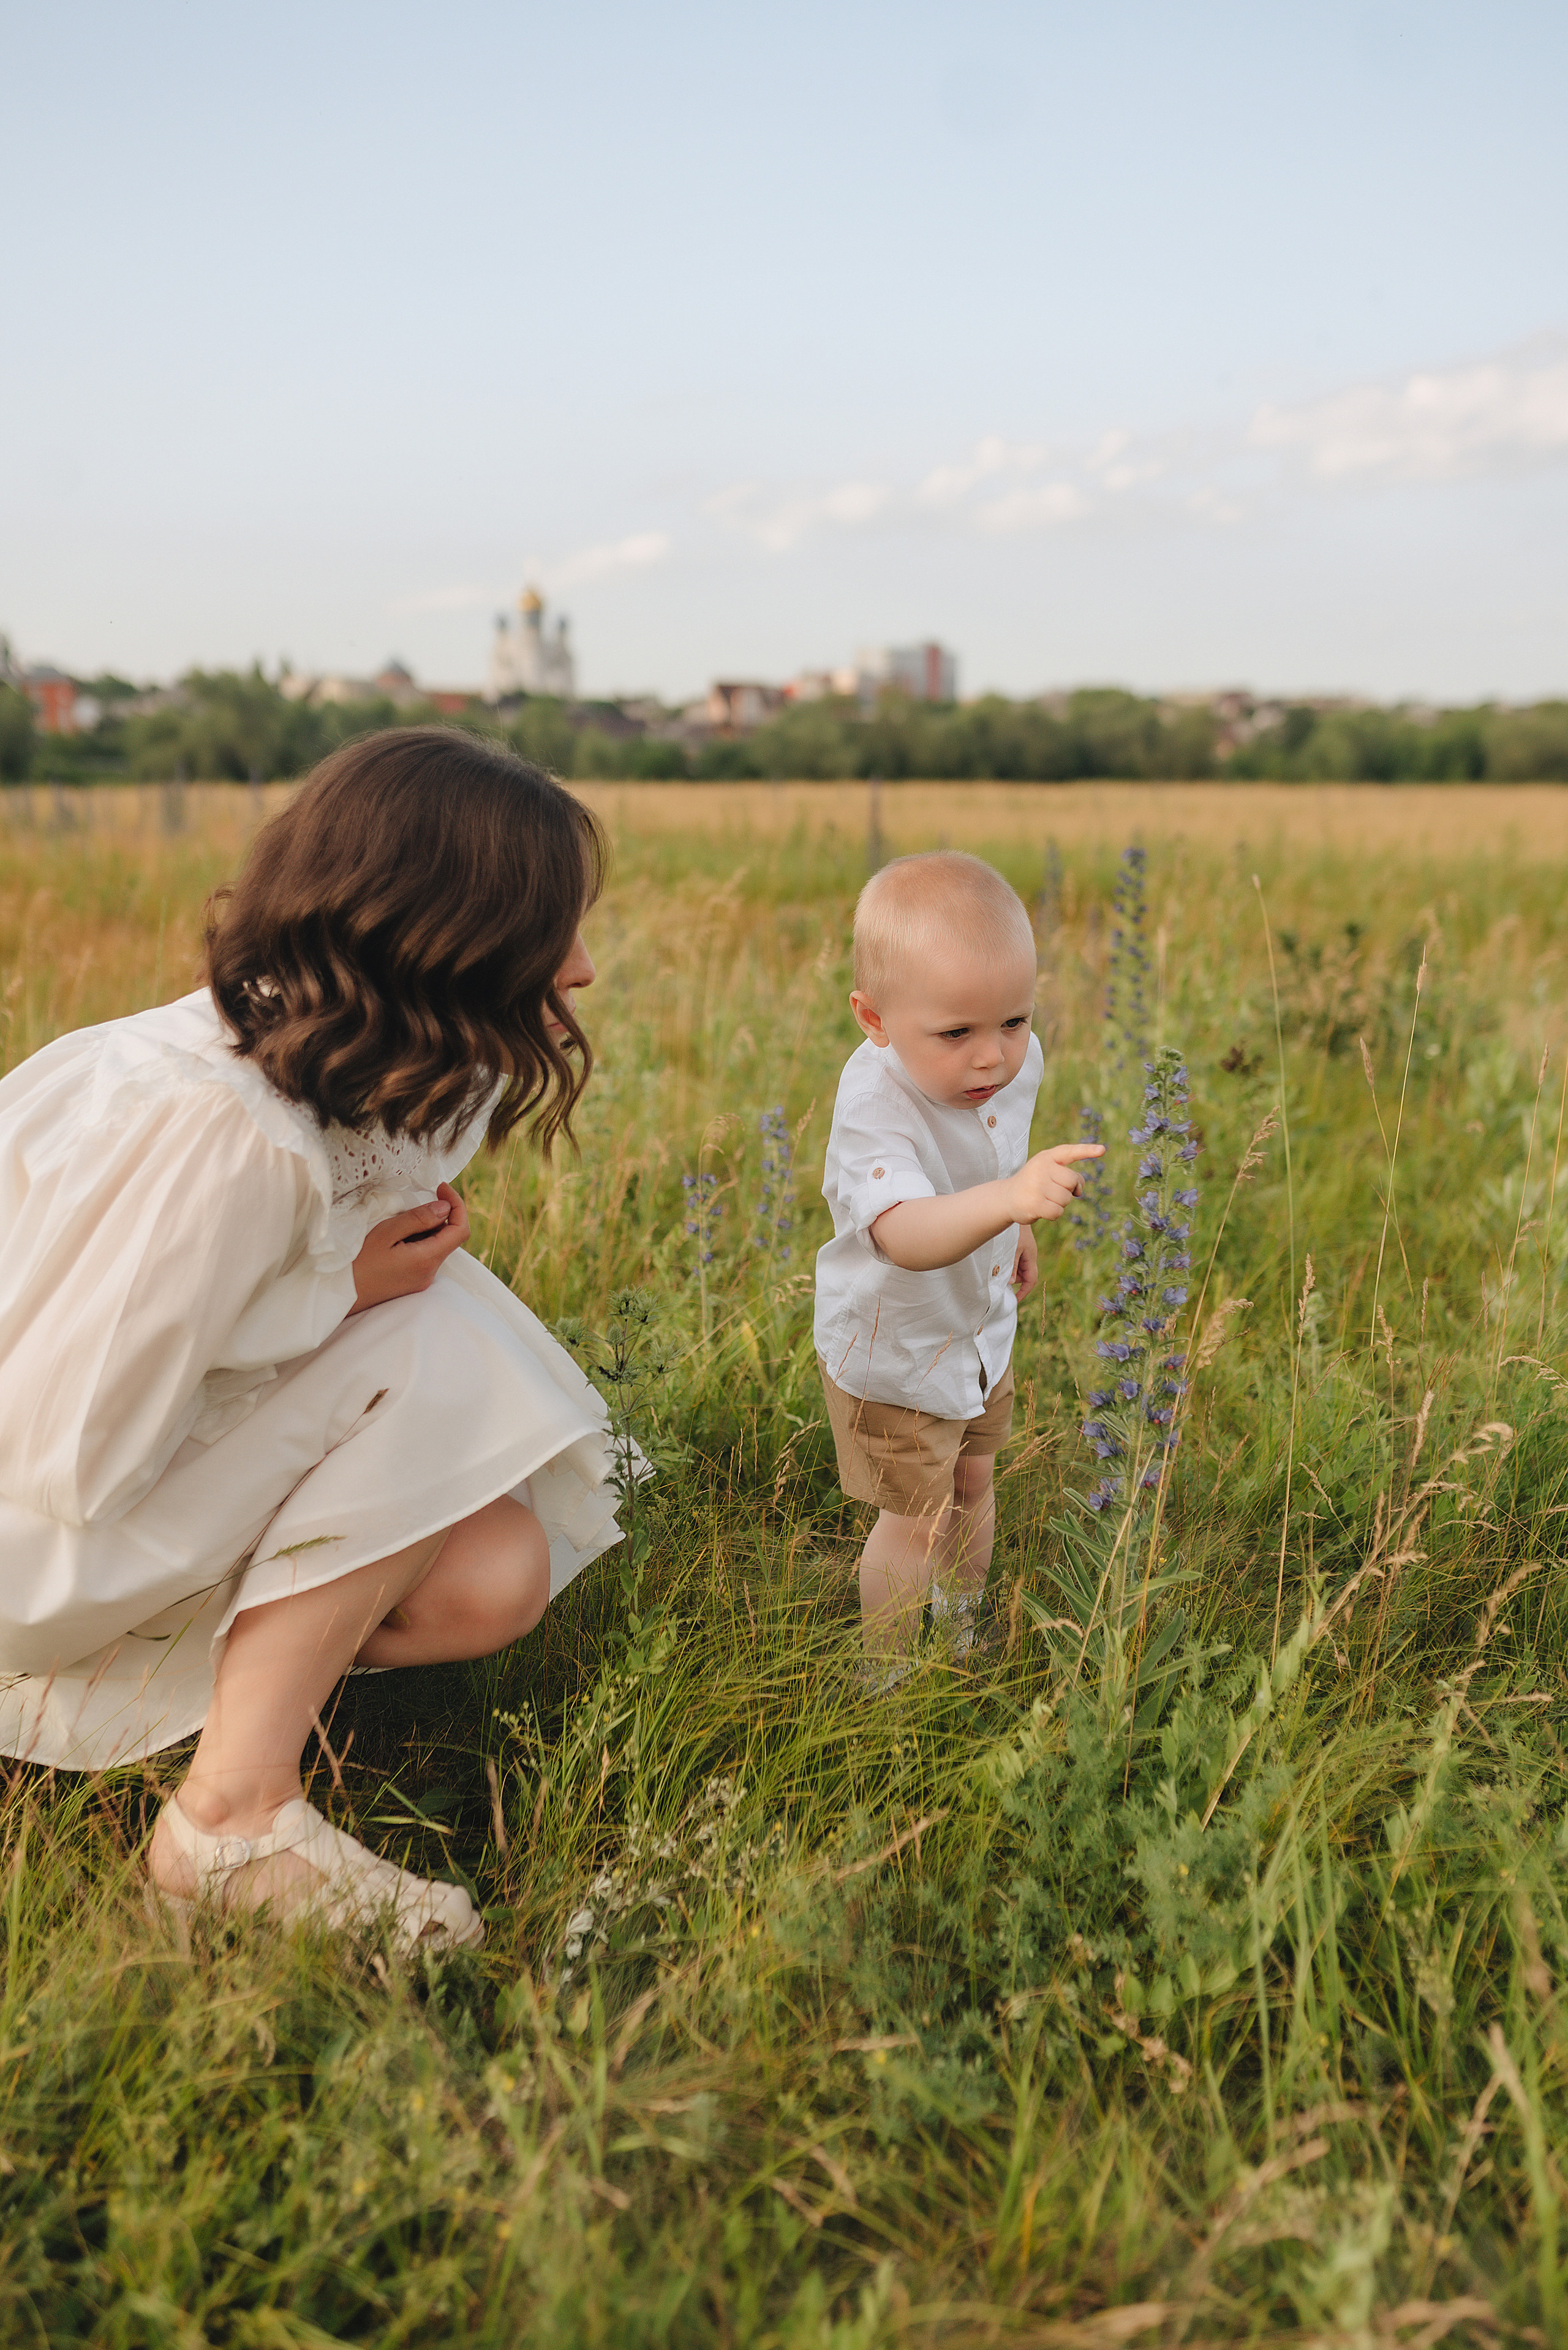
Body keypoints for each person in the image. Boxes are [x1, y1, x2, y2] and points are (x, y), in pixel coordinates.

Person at [0, 728, 634, 1951]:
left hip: (86, 1503)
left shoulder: (327, 1060)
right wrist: (332, 1298)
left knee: (493, 1567)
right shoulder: (220, 1126)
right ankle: (230, 1815)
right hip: (27, 1543)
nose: (583, 967)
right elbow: (60, 1450)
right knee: (435, 1343)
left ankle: (221, 1715)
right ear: (443, 939)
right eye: (548, 930)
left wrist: (329, 1294)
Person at [813, 851, 1103, 1674]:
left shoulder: (1011, 1069)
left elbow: (991, 1161)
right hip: (899, 1353)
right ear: (875, 1018)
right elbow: (903, 1234)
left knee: (975, 1482)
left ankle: (964, 1619)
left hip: (978, 1334)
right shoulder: (875, 1105)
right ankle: (891, 1674)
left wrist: (1019, 1228)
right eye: (958, 1033)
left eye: (1014, 1021)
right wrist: (1011, 1203)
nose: (993, 1058)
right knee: (913, 1515)